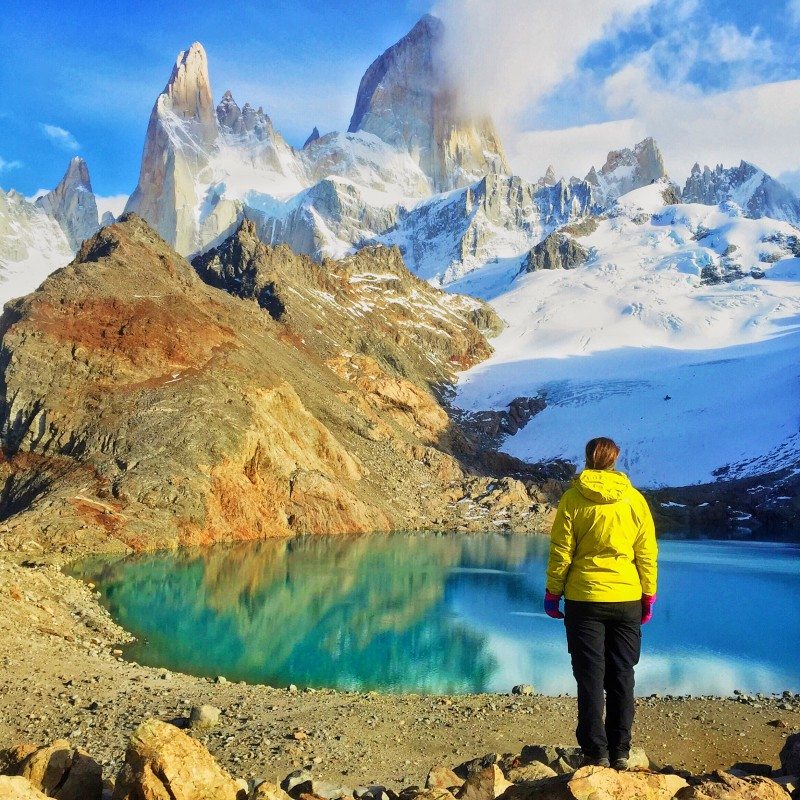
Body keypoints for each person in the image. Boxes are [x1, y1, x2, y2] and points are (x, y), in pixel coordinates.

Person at [543, 437, 657, 771]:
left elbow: (561, 552)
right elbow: (647, 553)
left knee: (590, 676)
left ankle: (596, 752)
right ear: (614, 460)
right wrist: (648, 596)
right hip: (626, 597)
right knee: (622, 674)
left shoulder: (572, 498)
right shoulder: (635, 500)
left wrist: (553, 593)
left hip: (584, 599)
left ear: (587, 459)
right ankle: (620, 750)